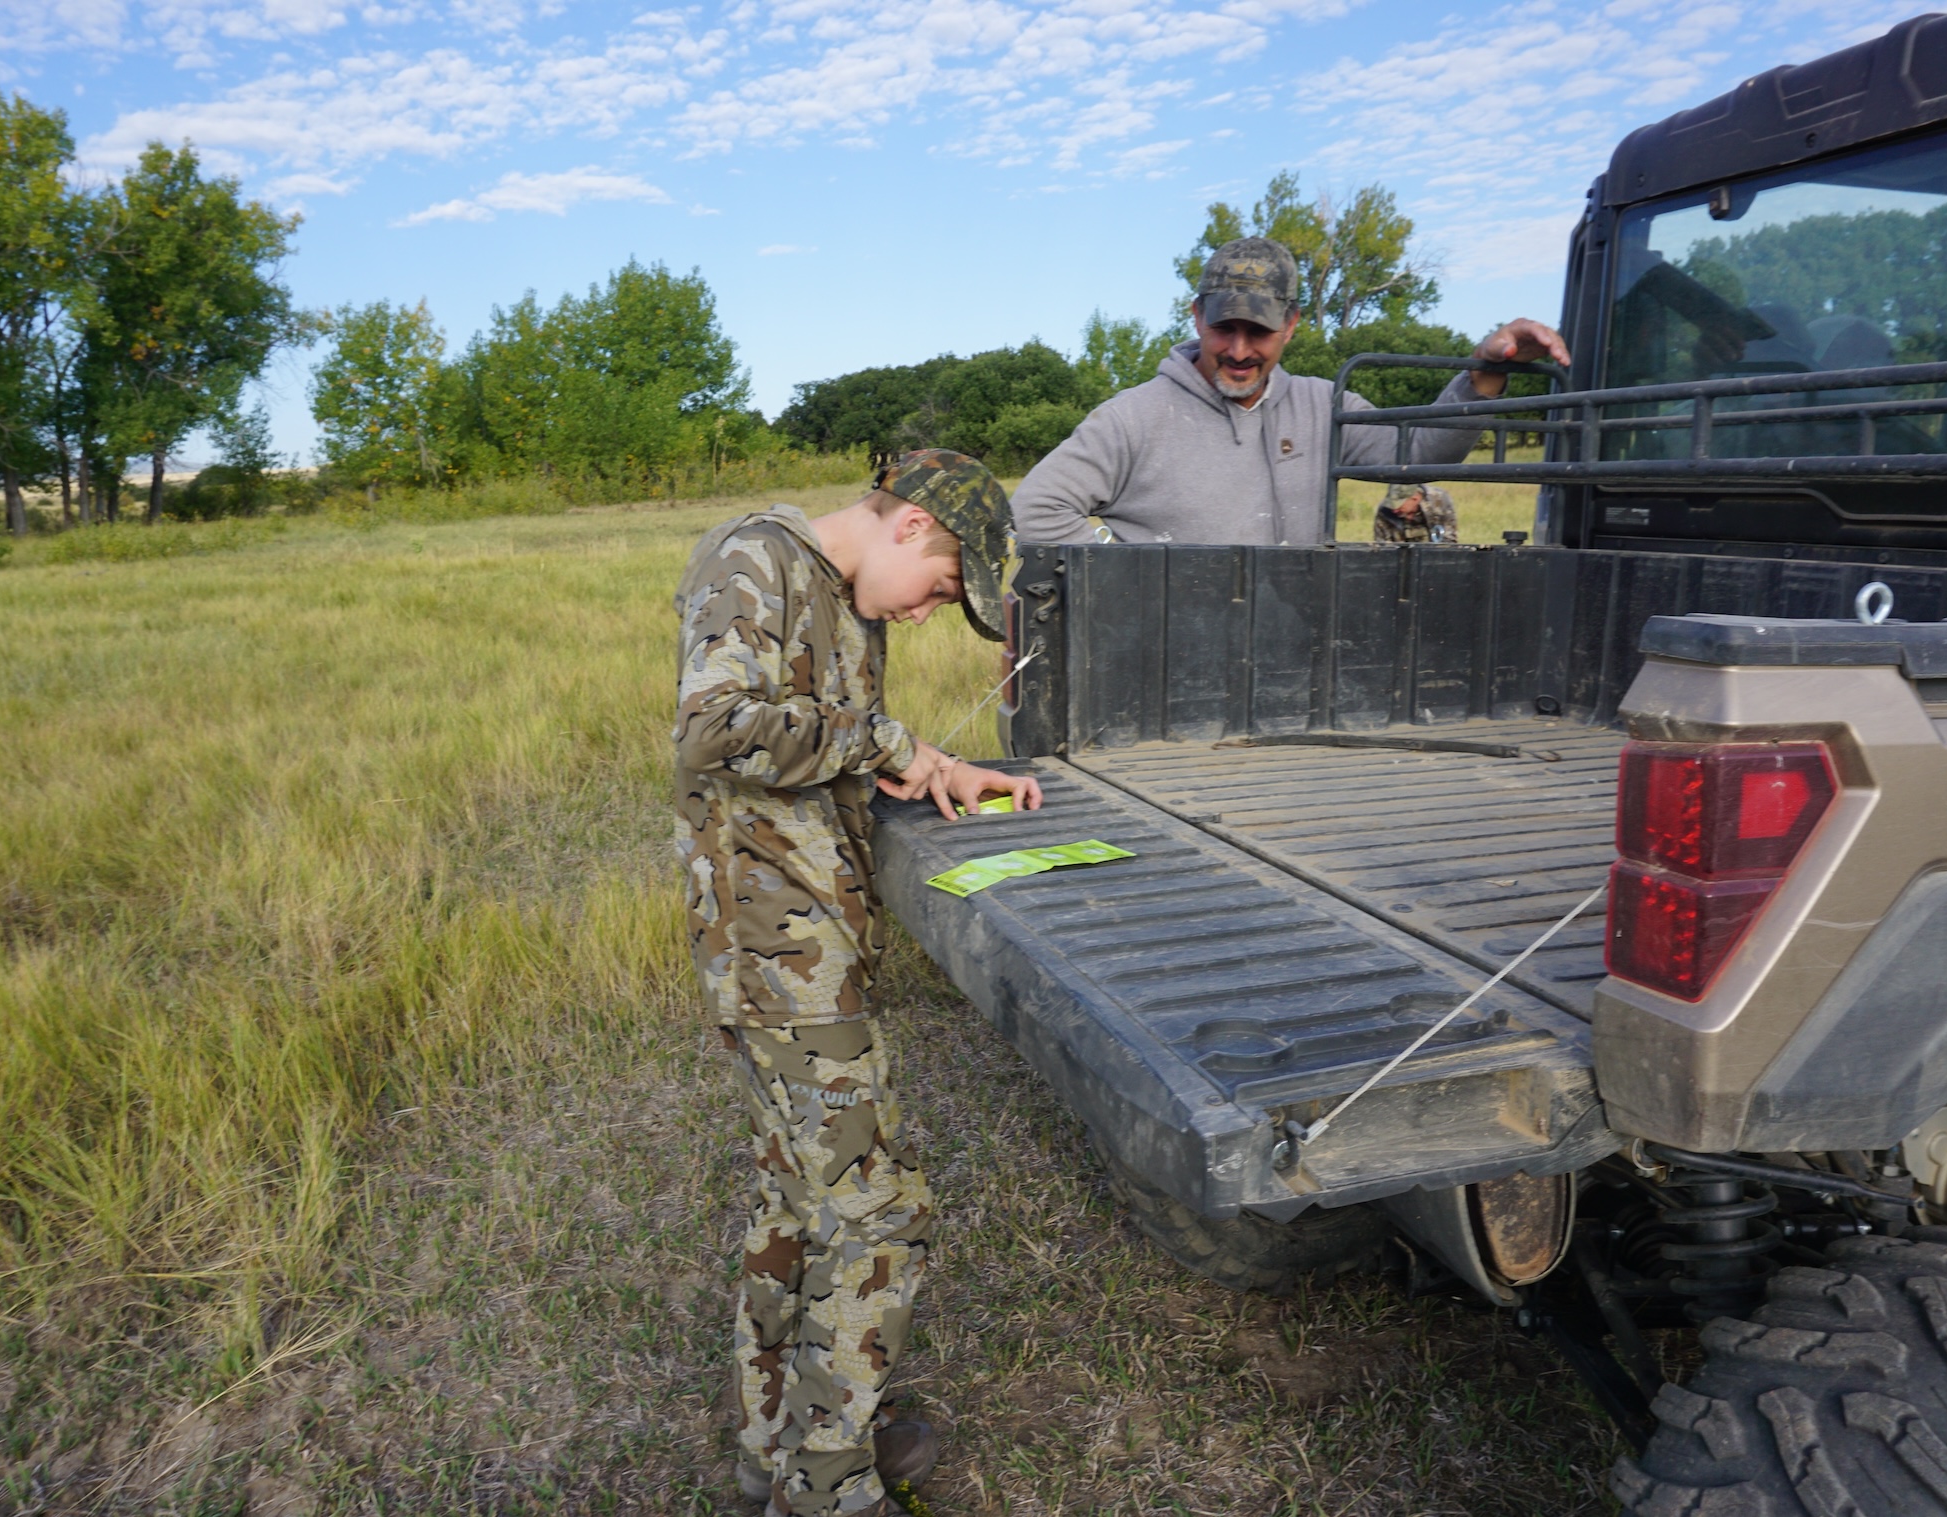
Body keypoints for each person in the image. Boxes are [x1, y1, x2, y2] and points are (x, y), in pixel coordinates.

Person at [673, 450, 1043, 1517]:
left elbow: (828, 746)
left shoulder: (842, 596)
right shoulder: (753, 558)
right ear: (910, 523)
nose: (930, 614)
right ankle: (828, 1489)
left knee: (800, 1198)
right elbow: (712, 726)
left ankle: (772, 1446)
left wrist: (934, 766)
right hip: (774, 956)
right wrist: (881, 735)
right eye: (939, 588)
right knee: (878, 1214)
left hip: (806, 948)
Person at [1011, 236, 1571, 547]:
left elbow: (1419, 453)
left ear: (1293, 324)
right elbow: (1036, 508)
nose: (1237, 350)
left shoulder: (1322, 405)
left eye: (1257, 332)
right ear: (1195, 315)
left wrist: (1484, 374)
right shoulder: (1132, 418)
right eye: (1221, 328)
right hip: (1171, 671)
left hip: (1294, 665)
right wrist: (1128, 579)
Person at [1373, 483, 1457, 543]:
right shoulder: (1385, 511)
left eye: (1399, 505)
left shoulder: (1439, 500)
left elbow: (1448, 542)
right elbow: (1383, 549)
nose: (1394, 510)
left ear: (1415, 498)